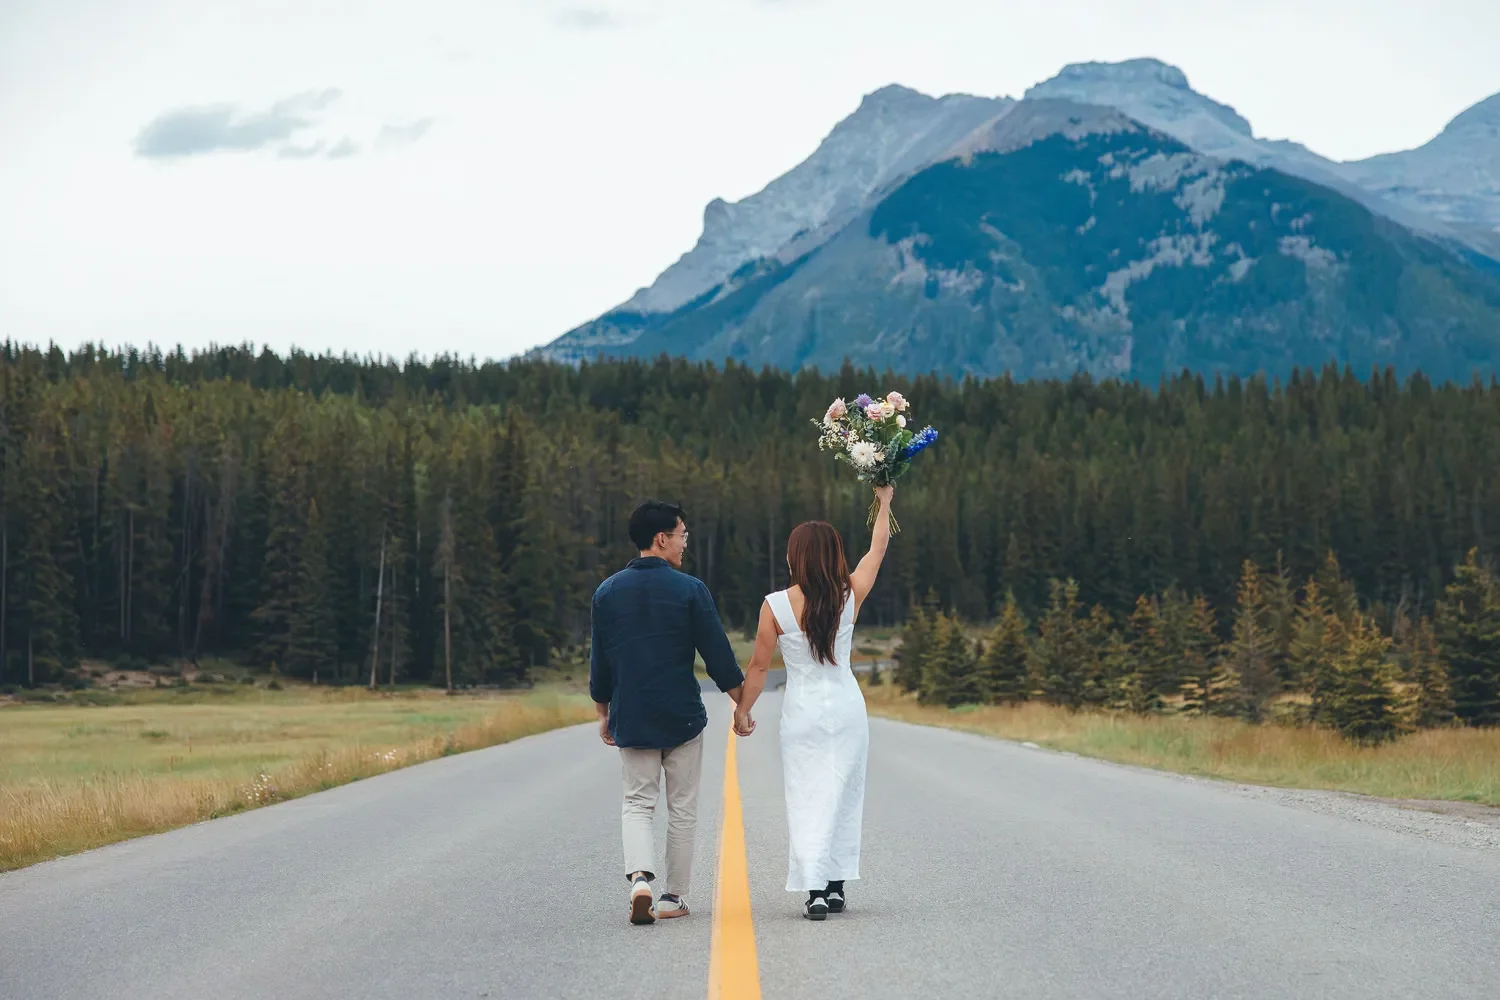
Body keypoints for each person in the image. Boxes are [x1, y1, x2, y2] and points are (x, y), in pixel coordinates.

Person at [733, 484, 894, 920]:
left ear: (796, 557)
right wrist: (885, 503)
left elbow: (760, 668)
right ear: (835, 554)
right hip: (846, 709)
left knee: (806, 796)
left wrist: (743, 709)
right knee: (844, 793)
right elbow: (877, 550)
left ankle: (815, 892)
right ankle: (837, 885)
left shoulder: (775, 606)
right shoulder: (850, 594)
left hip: (802, 714)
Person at [590, 499, 745, 925]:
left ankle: (639, 877)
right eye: (682, 536)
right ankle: (672, 898)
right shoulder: (690, 590)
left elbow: (601, 662)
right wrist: (741, 703)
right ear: (662, 539)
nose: (684, 544)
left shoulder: (606, 592)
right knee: (682, 807)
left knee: (638, 803)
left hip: (633, 714)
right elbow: (718, 657)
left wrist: (604, 711)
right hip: (682, 716)